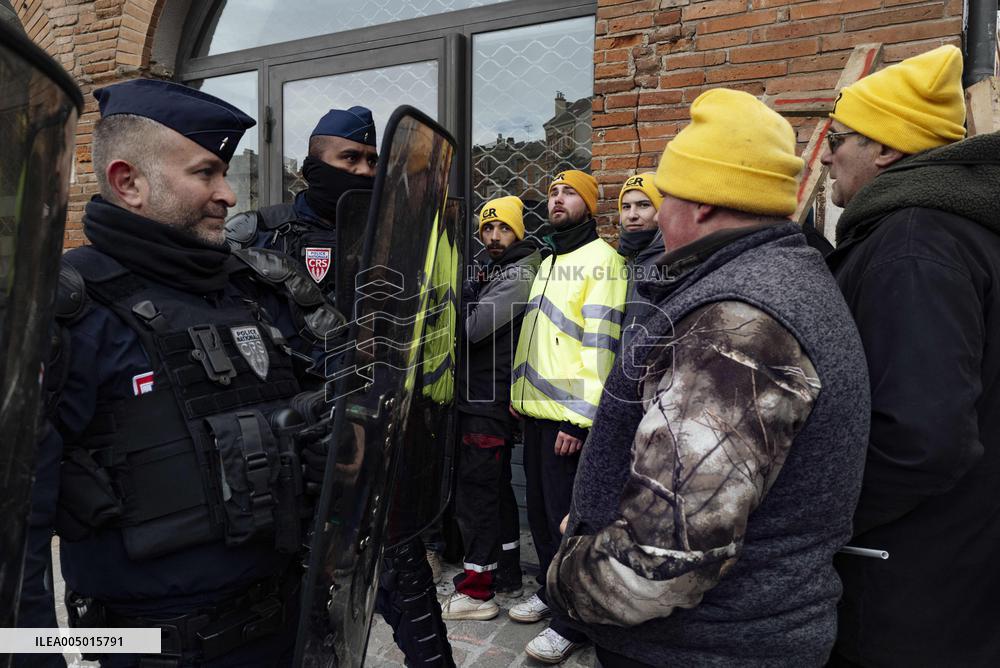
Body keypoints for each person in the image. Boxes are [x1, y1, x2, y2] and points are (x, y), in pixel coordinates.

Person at [18, 79, 346, 667]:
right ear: (129, 183)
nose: (227, 193)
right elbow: (13, 544)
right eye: (206, 172)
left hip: (291, 629)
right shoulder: (63, 311)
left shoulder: (250, 290)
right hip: (148, 649)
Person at [545, 88, 870, 667]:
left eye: (664, 195)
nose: (654, 213)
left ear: (700, 204)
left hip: (705, 646)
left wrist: (567, 577)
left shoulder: (738, 326)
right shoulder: (771, 276)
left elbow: (660, 560)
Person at [820, 45, 1000, 668]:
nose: (824, 154)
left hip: (907, 584)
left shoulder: (916, 244)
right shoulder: (945, 231)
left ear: (888, 150)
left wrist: (817, 518)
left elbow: (922, 439)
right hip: (946, 567)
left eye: (839, 138)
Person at [508, 170, 627, 663]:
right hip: (534, 411)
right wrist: (518, 394)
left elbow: (600, 348)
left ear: (590, 206)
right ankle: (550, 592)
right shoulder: (551, 258)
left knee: (567, 524)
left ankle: (572, 622)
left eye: (569, 193)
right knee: (538, 513)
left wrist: (579, 421)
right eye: (553, 193)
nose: (557, 200)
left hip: (566, 421)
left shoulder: (603, 261)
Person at [439, 196, 541, 621]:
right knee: (495, 491)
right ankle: (507, 573)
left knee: (477, 495)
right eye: (487, 229)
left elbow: (472, 329)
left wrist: (454, 297)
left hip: (488, 399)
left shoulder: (519, 273)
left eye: (503, 228)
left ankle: (477, 592)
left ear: (518, 231)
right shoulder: (496, 270)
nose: (494, 236)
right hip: (480, 396)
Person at [225, 106, 378, 300]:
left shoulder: (385, 234)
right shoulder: (255, 231)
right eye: (351, 157)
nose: (366, 170)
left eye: (372, 161)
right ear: (314, 166)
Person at [615, 172, 664, 352]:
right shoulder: (622, 262)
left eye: (643, 205)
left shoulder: (670, 263)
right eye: (626, 207)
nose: (632, 215)